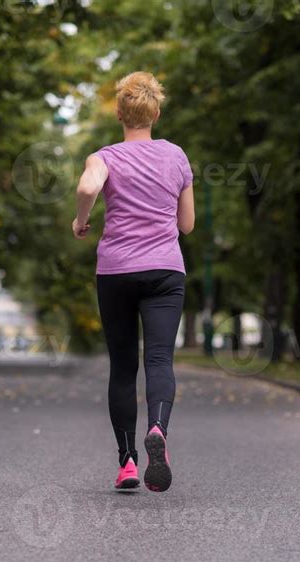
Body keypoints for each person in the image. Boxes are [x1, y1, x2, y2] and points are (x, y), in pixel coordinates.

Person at [72, 71, 195, 492]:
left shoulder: (103, 156)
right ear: (155, 113)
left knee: (123, 367)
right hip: (164, 271)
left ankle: (126, 461)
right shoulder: (176, 156)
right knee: (159, 360)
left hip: (116, 272)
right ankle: (158, 429)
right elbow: (188, 225)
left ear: (119, 113)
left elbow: (88, 186)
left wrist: (81, 219)